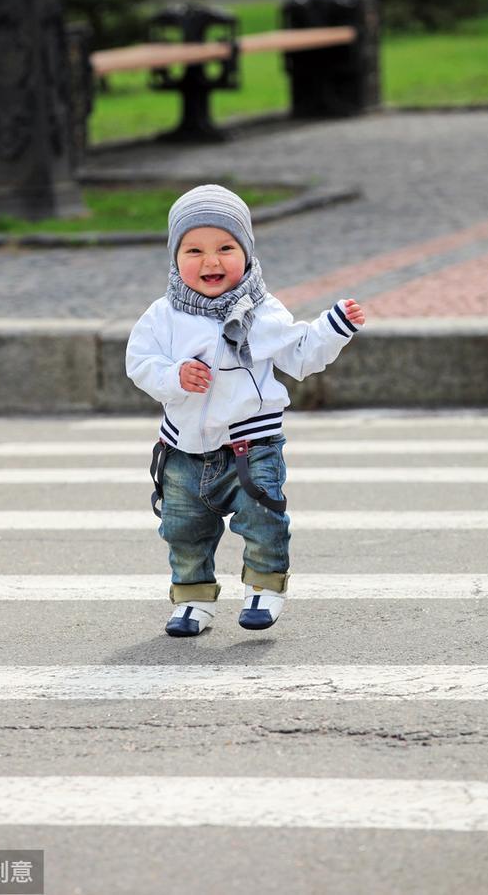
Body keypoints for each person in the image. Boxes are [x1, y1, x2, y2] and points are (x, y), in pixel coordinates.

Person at [125, 184, 365, 637]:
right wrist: (173, 376)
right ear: (174, 257)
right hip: (184, 450)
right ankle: (193, 598)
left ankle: (264, 587)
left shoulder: (261, 312)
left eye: (225, 248)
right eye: (193, 250)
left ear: (247, 252)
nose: (210, 261)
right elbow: (139, 363)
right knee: (183, 528)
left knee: (262, 519)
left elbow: (299, 356)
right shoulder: (162, 315)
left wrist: (333, 328)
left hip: (249, 446)